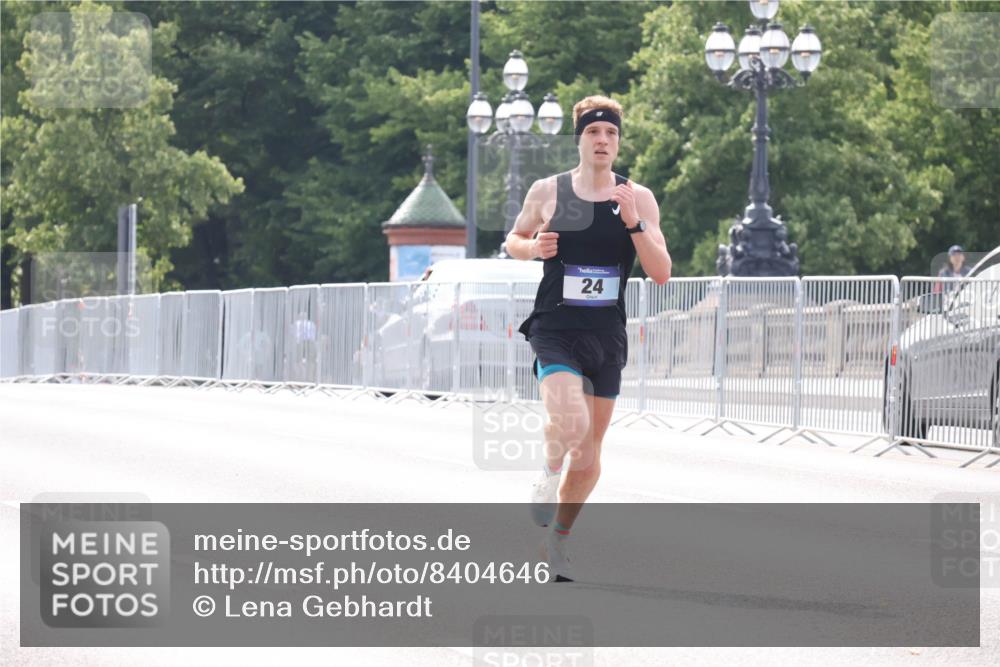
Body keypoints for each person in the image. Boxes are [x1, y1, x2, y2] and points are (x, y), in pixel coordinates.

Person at [505, 95, 671, 581]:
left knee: (590, 452)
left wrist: (634, 223)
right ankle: (549, 470)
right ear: (579, 138)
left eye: (611, 133)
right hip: (556, 328)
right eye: (594, 132)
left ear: (618, 142)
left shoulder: (637, 197)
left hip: (606, 335)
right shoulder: (549, 191)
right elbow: (514, 239)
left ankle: (557, 539)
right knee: (571, 424)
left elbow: (661, 272)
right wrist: (533, 248)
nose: (603, 140)